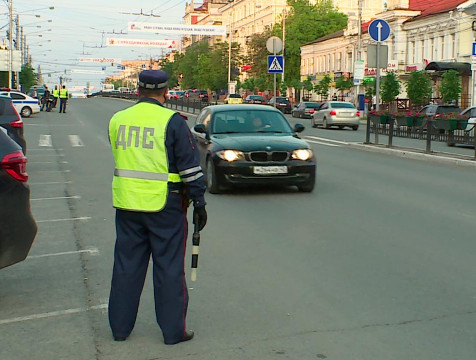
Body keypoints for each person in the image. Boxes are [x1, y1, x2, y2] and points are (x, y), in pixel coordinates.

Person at [108, 69, 207, 345]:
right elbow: (190, 169)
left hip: (127, 204)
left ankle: (120, 329)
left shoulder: (118, 119)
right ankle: (173, 332)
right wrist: (199, 202)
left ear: (137, 91)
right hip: (166, 205)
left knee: (126, 267)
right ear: (166, 92)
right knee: (168, 269)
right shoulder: (172, 122)